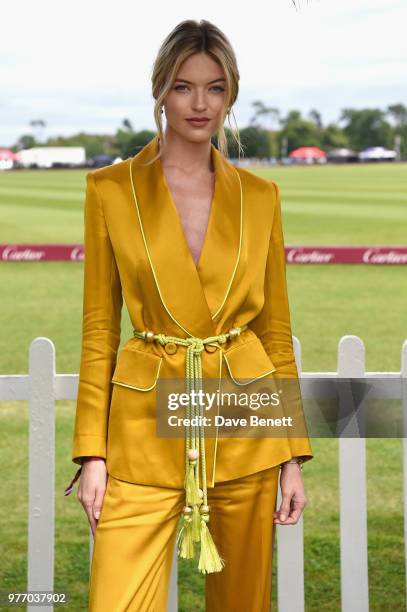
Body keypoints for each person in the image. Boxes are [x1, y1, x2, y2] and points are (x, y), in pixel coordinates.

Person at [64, 18, 314, 611]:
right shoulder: (109, 190)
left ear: (230, 94)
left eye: (215, 87)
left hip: (244, 421)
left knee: (241, 603)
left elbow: (275, 331)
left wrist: (291, 457)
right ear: (159, 91)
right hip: (142, 425)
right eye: (183, 86)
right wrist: (92, 454)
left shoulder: (261, 197)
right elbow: (100, 328)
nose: (200, 104)